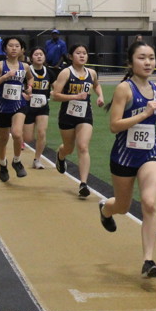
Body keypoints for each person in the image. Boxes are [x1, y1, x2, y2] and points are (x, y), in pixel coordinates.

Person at [98, 41, 156, 278]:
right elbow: (114, 125)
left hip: (150, 153)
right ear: (131, 62)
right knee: (122, 207)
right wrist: (143, 114)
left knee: (149, 203)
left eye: (151, 58)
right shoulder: (124, 89)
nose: (148, 62)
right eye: (142, 58)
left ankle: (148, 261)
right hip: (124, 155)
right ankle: (106, 209)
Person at [53, 44, 105, 198]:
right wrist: (75, 96)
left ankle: (83, 184)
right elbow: (55, 95)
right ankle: (61, 155)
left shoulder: (92, 73)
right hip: (67, 115)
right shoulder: (65, 73)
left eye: (84, 53)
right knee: (69, 148)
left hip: (85, 115)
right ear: (71, 56)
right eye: (78, 53)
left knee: (82, 146)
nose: (82, 56)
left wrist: (100, 96)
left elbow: (96, 85)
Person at [0, 37, 29, 182]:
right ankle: (2, 163)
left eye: (17, 46)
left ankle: (17, 161)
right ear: (5, 49)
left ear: (21, 49)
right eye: (11, 46)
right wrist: (4, 77)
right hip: (2, 106)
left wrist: (29, 88)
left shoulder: (25, 66)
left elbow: (30, 79)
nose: (14, 48)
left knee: (17, 134)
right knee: (3, 138)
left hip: (19, 105)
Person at [22, 47, 52, 170]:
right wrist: (23, 94)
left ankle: (37, 159)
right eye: (36, 54)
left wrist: (56, 92)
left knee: (41, 132)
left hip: (42, 107)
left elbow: (56, 85)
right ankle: (18, 134)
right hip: (27, 106)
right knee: (28, 138)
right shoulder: (26, 71)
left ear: (44, 57)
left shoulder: (49, 72)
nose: (39, 56)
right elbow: (18, 85)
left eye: (41, 54)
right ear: (31, 58)